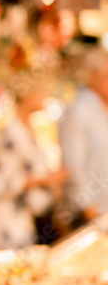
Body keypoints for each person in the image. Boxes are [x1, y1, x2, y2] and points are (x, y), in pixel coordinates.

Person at [0, 79, 68, 249]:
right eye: (41, 91)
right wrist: (45, 179)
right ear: (27, 96)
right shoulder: (11, 134)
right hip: (15, 226)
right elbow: (0, 184)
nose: (45, 96)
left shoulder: (30, 129)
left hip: (36, 221)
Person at [59, 47, 108, 223]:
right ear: (93, 76)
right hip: (93, 214)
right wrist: (88, 206)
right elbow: (72, 163)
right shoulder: (78, 111)